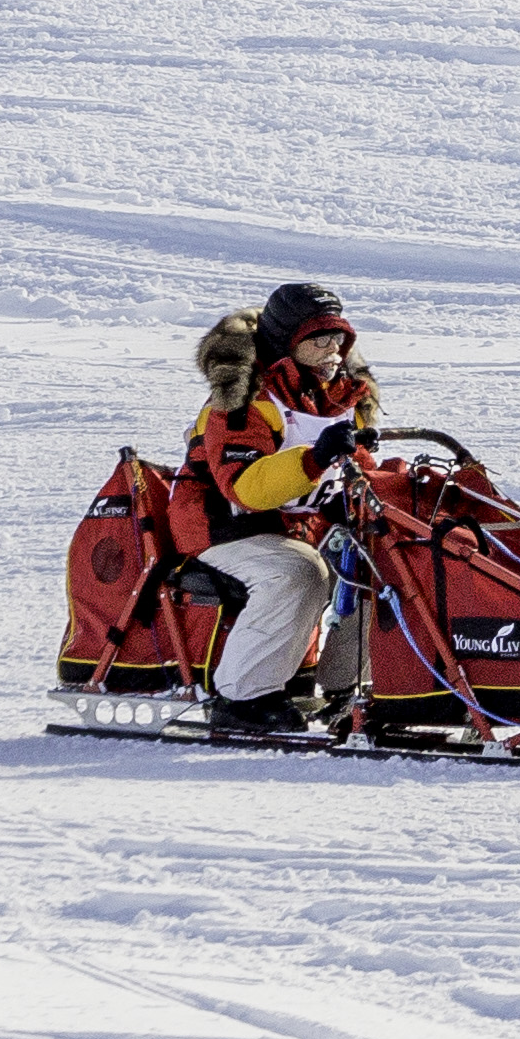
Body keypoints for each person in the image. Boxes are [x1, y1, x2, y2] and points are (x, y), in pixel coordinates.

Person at [181, 279, 381, 736]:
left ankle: (347, 687)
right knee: (299, 572)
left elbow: (360, 470)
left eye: (339, 338)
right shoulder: (242, 402)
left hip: (299, 529)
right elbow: (246, 488)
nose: (333, 349)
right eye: (318, 339)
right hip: (224, 529)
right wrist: (315, 458)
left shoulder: (340, 397)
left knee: (387, 560)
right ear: (287, 343)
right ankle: (243, 697)